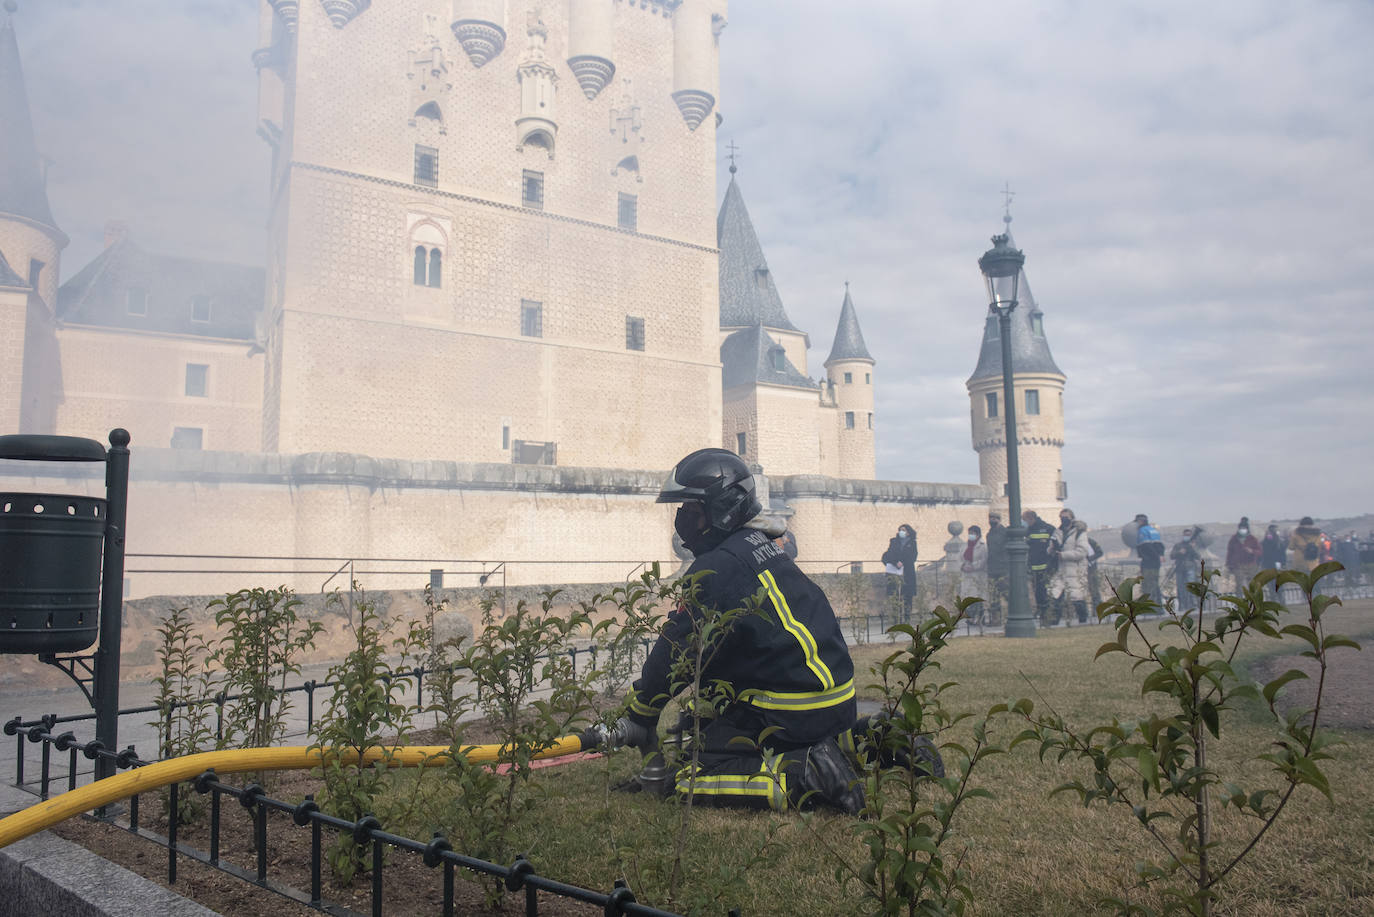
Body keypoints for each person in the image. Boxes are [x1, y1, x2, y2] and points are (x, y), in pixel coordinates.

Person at [617, 448, 865, 813]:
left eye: (691, 509)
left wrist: (640, 712)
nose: (682, 519)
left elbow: (676, 652)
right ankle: (878, 741)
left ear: (722, 509)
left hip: (789, 714)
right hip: (834, 703)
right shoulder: (760, 546)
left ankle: (808, 776)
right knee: (705, 732)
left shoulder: (717, 568)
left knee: (687, 778)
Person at [1048, 519, 1091, 625]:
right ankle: (1054, 620)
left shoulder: (1080, 534)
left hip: (1075, 569)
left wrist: (1063, 555)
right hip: (1061, 569)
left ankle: (1083, 619)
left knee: (1076, 596)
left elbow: (1081, 552)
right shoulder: (1058, 533)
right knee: (1054, 594)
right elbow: (1050, 548)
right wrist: (1052, 550)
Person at [1022, 510, 1057, 625]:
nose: (1023, 522)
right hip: (1034, 568)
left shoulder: (1048, 528)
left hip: (1046, 567)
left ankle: (1049, 615)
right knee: (1038, 592)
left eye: (1025, 520)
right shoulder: (1028, 531)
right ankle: (1042, 614)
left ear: (1031, 518)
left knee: (1046, 592)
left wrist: (1051, 564)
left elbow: (1055, 547)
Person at [881, 524, 919, 623]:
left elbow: (913, 557)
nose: (901, 532)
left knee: (907, 596)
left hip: (907, 572)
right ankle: (896, 619)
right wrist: (895, 562)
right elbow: (888, 555)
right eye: (900, 530)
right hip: (894, 572)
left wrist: (903, 562)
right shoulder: (894, 541)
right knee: (895, 595)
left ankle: (907, 618)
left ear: (909, 532)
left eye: (904, 530)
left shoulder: (912, 543)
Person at [1225, 517, 1261, 593]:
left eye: (1244, 528)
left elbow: (1259, 551)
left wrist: (1252, 551)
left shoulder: (1252, 538)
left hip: (1250, 564)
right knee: (1239, 585)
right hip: (1238, 565)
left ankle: (1253, 601)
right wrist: (1229, 564)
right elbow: (1230, 552)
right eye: (1241, 528)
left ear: (1247, 529)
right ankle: (1240, 602)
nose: (1242, 529)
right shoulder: (1234, 539)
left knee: (1252, 585)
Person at [1134, 514, 1165, 603]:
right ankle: (1158, 606)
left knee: (1148, 585)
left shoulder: (1142, 531)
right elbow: (1161, 546)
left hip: (1148, 562)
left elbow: (1146, 546)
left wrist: (1154, 557)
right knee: (1155, 584)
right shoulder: (1153, 530)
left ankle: (1151, 607)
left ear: (1141, 521)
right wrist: (1160, 556)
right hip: (1156, 562)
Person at [1170, 528, 1203, 612]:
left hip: (1190, 568)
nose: (1187, 537)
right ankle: (1182, 605)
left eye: (1188, 535)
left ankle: (1192, 605)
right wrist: (1179, 552)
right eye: (1186, 535)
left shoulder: (1193, 545)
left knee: (1191, 587)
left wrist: (1193, 548)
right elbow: (1172, 555)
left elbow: (1198, 556)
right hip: (1180, 568)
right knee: (1180, 588)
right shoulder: (1178, 545)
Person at [984, 513, 1008, 626]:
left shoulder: (1005, 533)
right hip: (992, 568)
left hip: (1003, 568)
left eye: (994, 518)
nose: (991, 520)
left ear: (999, 519)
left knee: (1006, 593)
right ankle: (995, 619)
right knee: (993, 595)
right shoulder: (989, 534)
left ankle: (1009, 616)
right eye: (990, 518)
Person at [960, 524, 988, 621]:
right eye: (969, 533)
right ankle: (970, 618)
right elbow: (959, 558)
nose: (970, 535)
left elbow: (983, 560)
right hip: (966, 575)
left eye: (972, 533)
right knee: (968, 597)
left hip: (977, 574)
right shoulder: (964, 545)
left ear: (978, 534)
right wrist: (963, 566)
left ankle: (979, 618)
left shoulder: (982, 546)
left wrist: (973, 566)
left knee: (977, 597)